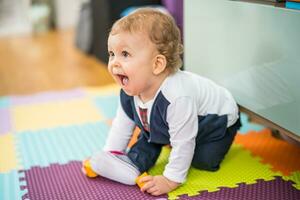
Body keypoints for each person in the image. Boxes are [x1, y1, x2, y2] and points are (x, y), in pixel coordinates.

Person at [82, 7, 241, 196]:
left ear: (157, 64)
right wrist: (109, 154)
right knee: (151, 133)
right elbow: (121, 125)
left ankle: (181, 139)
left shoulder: (177, 96)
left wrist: (170, 179)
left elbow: (183, 142)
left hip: (216, 120)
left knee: (202, 161)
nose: (114, 62)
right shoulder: (130, 90)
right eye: (112, 54)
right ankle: (131, 162)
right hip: (172, 123)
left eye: (125, 54)